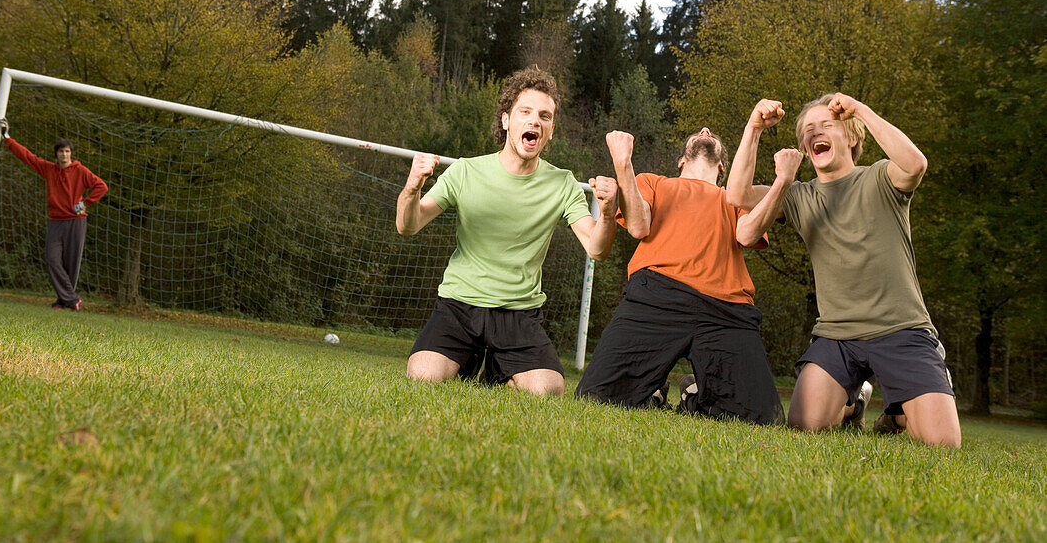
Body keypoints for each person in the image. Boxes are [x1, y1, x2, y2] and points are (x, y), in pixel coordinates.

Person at [726, 95, 960, 447]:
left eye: (826, 125)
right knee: (805, 426)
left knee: (942, 444)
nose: (814, 133)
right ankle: (853, 403)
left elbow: (915, 164)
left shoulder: (881, 177)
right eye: (807, 130)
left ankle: (898, 411)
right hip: (837, 336)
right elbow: (738, 195)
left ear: (851, 137)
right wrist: (754, 127)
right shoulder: (799, 196)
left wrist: (861, 111)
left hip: (902, 330)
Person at [395, 67, 618, 396]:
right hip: (459, 306)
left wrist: (609, 213)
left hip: (518, 315)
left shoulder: (563, 183)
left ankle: (499, 369)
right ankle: (467, 360)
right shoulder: (466, 171)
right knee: (423, 375)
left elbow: (596, 248)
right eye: (525, 112)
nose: (535, 121)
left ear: (551, 130)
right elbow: (408, 224)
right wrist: (412, 188)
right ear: (506, 121)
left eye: (545, 116)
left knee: (547, 389)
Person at [575, 127, 786, 425]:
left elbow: (748, 234)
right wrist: (623, 163)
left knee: (761, 418)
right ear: (680, 162)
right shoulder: (653, 183)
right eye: (699, 132)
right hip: (655, 297)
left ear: (723, 166)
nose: (705, 130)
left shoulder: (735, 197)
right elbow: (638, 226)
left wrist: (783, 181)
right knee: (595, 397)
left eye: (712, 133)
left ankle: (694, 393)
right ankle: (653, 389)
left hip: (726, 309)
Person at [0, 118, 108, 311]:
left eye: (67, 152)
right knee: (52, 259)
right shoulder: (49, 169)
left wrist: (85, 203)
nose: (64, 155)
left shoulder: (81, 171)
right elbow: (27, 156)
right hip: (56, 222)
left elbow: (101, 186)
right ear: (56, 155)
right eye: (61, 151)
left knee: (71, 264)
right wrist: (7, 137)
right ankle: (72, 299)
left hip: (76, 221)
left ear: (71, 154)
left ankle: (64, 302)